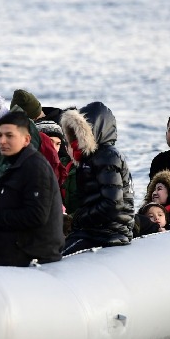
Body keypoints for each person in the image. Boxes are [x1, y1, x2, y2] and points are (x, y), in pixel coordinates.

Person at [0, 112, 64, 267]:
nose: (2, 141)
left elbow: (36, 216)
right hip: (13, 250)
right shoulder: (14, 165)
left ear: (27, 139)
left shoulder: (35, 167)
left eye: (9, 136)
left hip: (32, 256)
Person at [60, 102, 135, 255]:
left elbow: (112, 203)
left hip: (108, 232)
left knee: (61, 256)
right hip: (97, 229)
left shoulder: (107, 156)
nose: (75, 139)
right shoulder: (90, 159)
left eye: (79, 132)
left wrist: (78, 219)